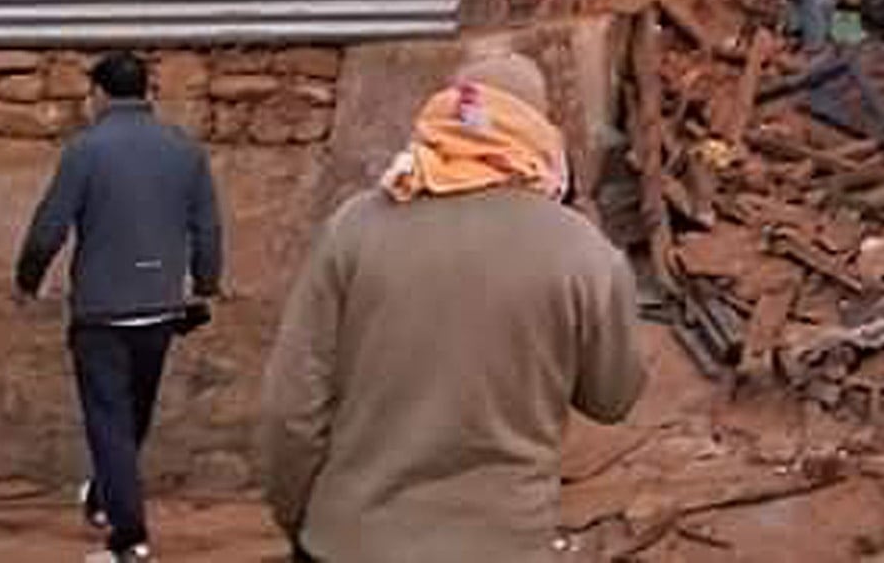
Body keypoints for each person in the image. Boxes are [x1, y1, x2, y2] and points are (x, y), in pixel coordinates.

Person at [259, 53, 643, 562]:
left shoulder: (356, 227)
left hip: (353, 539)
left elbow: (291, 407)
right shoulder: (584, 253)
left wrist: (299, 516)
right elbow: (612, 397)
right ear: (538, 132)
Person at [15, 52, 225, 563]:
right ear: (149, 93)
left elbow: (50, 227)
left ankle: (129, 539)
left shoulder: (85, 150)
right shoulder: (185, 151)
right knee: (133, 417)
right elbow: (209, 227)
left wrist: (27, 281)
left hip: (101, 313)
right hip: (161, 309)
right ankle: (107, 497)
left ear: (100, 95)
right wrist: (205, 284)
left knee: (109, 421)